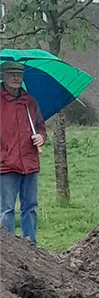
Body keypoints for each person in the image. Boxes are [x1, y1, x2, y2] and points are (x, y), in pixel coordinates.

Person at [0, 61, 46, 244]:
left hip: (30, 163)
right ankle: (7, 250)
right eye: (11, 74)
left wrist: (41, 137)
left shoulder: (30, 102)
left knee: (30, 207)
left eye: (19, 74)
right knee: (6, 209)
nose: (16, 78)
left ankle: (31, 247)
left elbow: (41, 127)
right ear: (3, 75)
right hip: (5, 163)